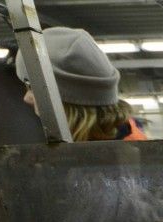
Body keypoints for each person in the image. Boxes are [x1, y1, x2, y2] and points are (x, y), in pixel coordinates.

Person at [15, 27, 146, 142]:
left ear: (65, 99)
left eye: (32, 87)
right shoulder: (114, 144)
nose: (27, 98)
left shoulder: (115, 156)